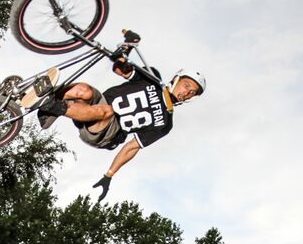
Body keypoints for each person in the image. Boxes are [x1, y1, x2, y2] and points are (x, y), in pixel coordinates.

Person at [37, 44, 205, 201]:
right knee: (84, 90)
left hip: (107, 134)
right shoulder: (152, 78)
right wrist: (127, 47)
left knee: (107, 111)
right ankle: (46, 111)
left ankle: (52, 105)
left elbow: (131, 147)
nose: (187, 92)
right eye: (186, 85)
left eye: (192, 92)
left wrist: (109, 175)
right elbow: (120, 68)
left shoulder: (165, 123)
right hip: (94, 107)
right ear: (176, 79)